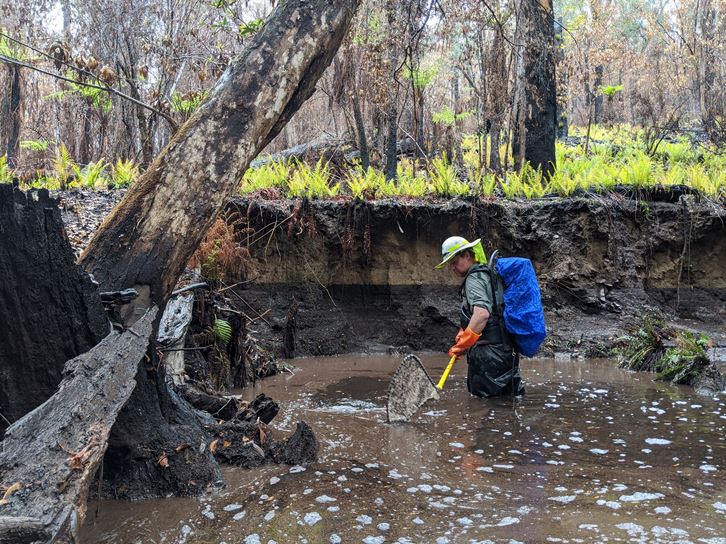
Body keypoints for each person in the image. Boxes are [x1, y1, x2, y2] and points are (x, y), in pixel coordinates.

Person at [436, 236, 525, 398]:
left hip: (488, 356)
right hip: (505, 351)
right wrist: (464, 332)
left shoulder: (473, 279)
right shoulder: (488, 274)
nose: (452, 267)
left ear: (467, 256)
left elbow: (482, 315)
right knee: (507, 402)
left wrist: (462, 344)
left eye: (454, 262)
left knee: (484, 405)